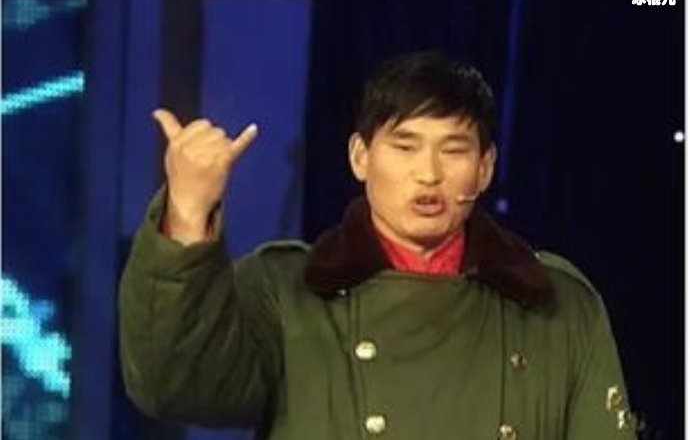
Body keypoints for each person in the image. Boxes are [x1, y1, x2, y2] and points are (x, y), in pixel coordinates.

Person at [119, 51, 637, 440]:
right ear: (360, 157)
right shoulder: (287, 294)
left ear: (484, 168)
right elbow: (174, 386)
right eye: (405, 146)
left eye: (453, 150)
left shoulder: (556, 305)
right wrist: (188, 209)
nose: (428, 173)